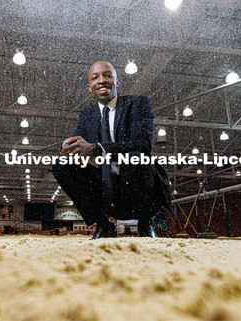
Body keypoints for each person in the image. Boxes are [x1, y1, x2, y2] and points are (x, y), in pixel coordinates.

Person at [53, 60, 171, 239]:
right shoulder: (86, 116)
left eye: (108, 75)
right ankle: (103, 225)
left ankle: (145, 223)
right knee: (61, 164)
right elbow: (79, 145)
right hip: (104, 188)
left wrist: (97, 149)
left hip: (137, 187)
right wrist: (68, 147)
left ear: (117, 81)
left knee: (137, 157)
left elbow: (142, 144)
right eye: (95, 77)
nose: (101, 80)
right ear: (89, 86)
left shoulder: (138, 103)